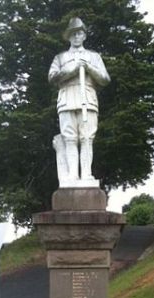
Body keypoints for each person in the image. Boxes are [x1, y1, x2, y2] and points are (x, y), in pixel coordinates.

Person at [49, 17, 110, 186]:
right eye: (73, 34)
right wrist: (72, 69)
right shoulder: (60, 58)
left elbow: (105, 79)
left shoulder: (94, 57)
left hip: (88, 98)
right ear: (68, 36)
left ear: (84, 36)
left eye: (80, 33)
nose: (77, 37)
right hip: (67, 98)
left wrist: (89, 67)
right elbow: (53, 77)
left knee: (87, 138)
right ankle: (72, 176)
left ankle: (87, 175)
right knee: (70, 138)